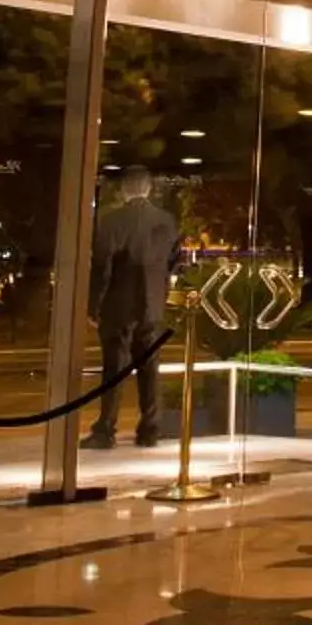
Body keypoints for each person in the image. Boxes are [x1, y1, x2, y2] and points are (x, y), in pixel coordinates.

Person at [85, 168, 179, 450]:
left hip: (118, 303)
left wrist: (94, 306)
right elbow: (173, 263)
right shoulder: (167, 221)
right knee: (150, 368)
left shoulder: (111, 221)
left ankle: (106, 429)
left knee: (114, 367)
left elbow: (102, 268)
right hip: (152, 305)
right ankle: (150, 429)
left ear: (124, 190)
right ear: (149, 189)